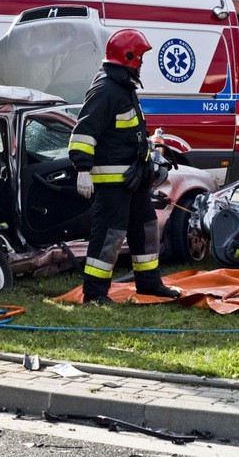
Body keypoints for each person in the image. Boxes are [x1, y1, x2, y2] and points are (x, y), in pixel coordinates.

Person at [68, 29, 180, 305]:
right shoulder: (106, 89)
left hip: (134, 179)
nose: (142, 62)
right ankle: (94, 294)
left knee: (146, 230)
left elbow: (128, 133)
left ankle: (150, 284)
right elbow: (83, 133)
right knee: (109, 236)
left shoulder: (124, 87)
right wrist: (83, 169)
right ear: (128, 56)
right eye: (139, 57)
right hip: (113, 184)